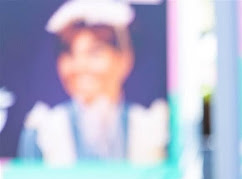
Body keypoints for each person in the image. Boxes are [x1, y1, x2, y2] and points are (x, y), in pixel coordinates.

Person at [17, 0, 168, 165]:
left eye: (94, 52)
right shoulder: (43, 132)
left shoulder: (152, 130)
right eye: (69, 52)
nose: (79, 66)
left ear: (125, 58)